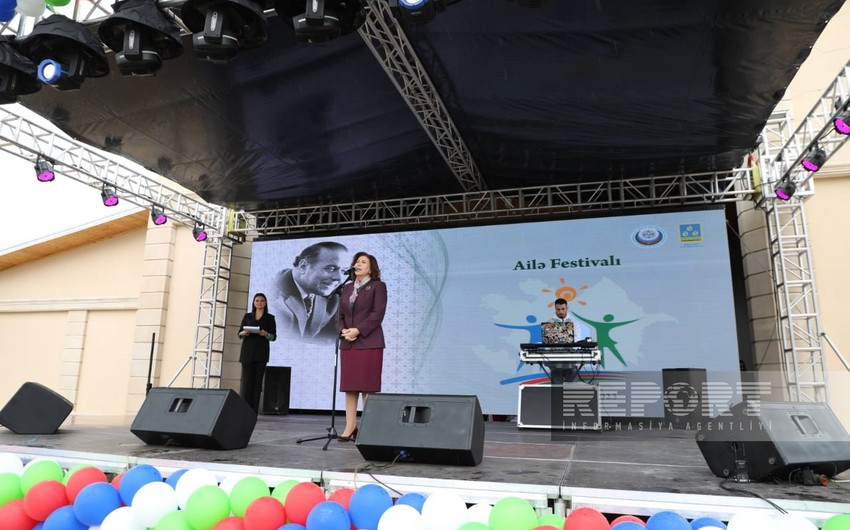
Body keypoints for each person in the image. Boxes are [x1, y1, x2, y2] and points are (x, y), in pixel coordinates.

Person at [336, 252, 388, 441]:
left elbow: (377, 314)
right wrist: (343, 331)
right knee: (350, 387)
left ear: (371, 268)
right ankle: (350, 426)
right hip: (348, 342)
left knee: (367, 387)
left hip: (368, 342)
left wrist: (357, 330)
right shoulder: (347, 287)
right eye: (357, 261)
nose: (358, 264)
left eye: (363, 262)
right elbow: (339, 314)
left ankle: (368, 427)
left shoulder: (378, 286)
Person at [273, 241, 349, 344]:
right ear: (303, 266)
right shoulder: (271, 294)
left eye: (344, 271)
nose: (338, 278)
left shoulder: (332, 298)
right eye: (330, 269)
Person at [238, 293, 277, 413]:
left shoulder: (270, 318)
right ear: (254, 303)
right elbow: (239, 334)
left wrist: (266, 334)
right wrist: (243, 333)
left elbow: (273, 337)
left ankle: (253, 411)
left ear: (265, 303)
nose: (259, 303)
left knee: (257, 383)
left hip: (261, 353)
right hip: (247, 352)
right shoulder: (247, 316)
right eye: (257, 301)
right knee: (246, 382)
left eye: (262, 301)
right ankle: (244, 410)